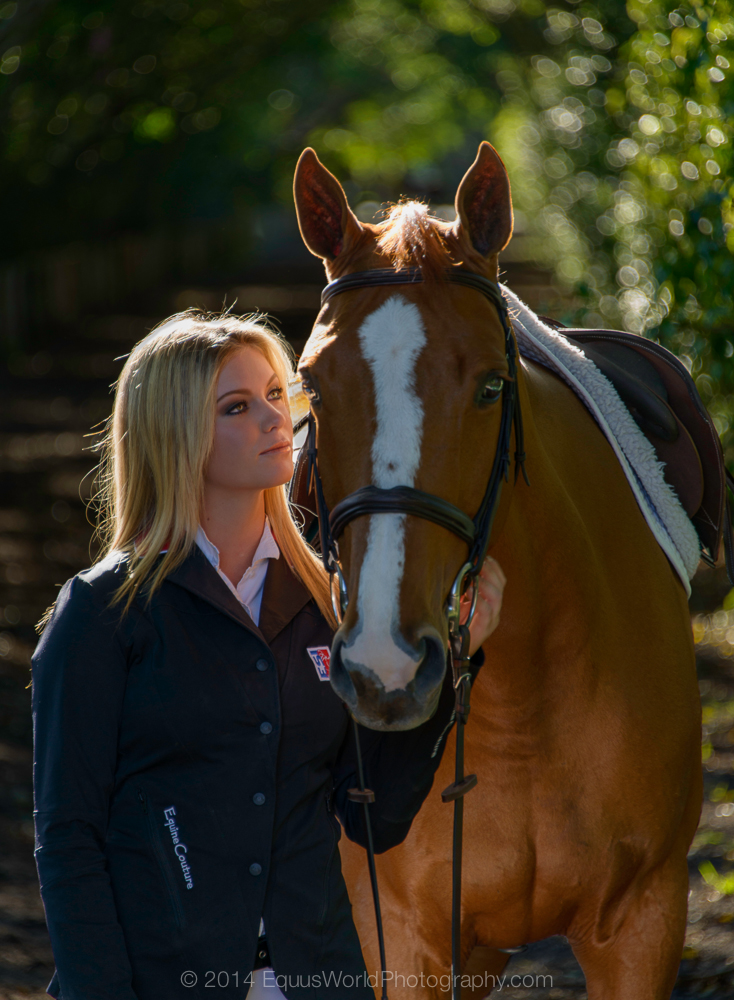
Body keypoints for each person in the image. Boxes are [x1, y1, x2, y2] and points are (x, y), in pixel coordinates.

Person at [32, 310, 506, 1000]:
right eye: (237, 406)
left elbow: (373, 813)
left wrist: (457, 661)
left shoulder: (325, 604)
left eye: (278, 395)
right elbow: (68, 838)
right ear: (176, 432)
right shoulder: (102, 615)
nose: (274, 418)